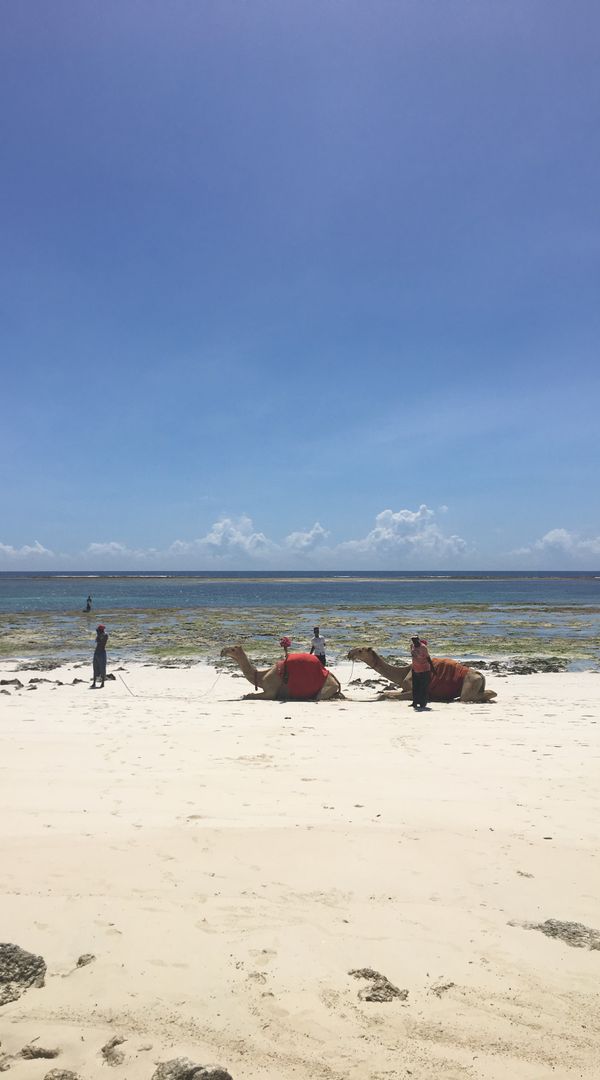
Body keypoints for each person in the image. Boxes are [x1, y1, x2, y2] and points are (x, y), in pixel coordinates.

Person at [410, 634, 435, 709]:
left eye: (415, 640)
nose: (414, 642)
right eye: (413, 640)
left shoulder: (423, 647)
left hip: (424, 669)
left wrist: (432, 668)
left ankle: (422, 703)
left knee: (423, 687)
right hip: (415, 669)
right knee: (415, 687)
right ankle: (414, 702)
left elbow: (428, 658)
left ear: (418, 640)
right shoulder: (412, 646)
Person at [92, 624, 108, 688]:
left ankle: (103, 683)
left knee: (102, 668)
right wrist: (98, 635)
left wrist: (99, 635)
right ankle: (94, 683)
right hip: (96, 653)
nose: (97, 631)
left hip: (102, 653)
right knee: (95, 668)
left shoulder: (105, 635)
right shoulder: (99, 635)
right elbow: (97, 641)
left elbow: (100, 641)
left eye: (98, 630)